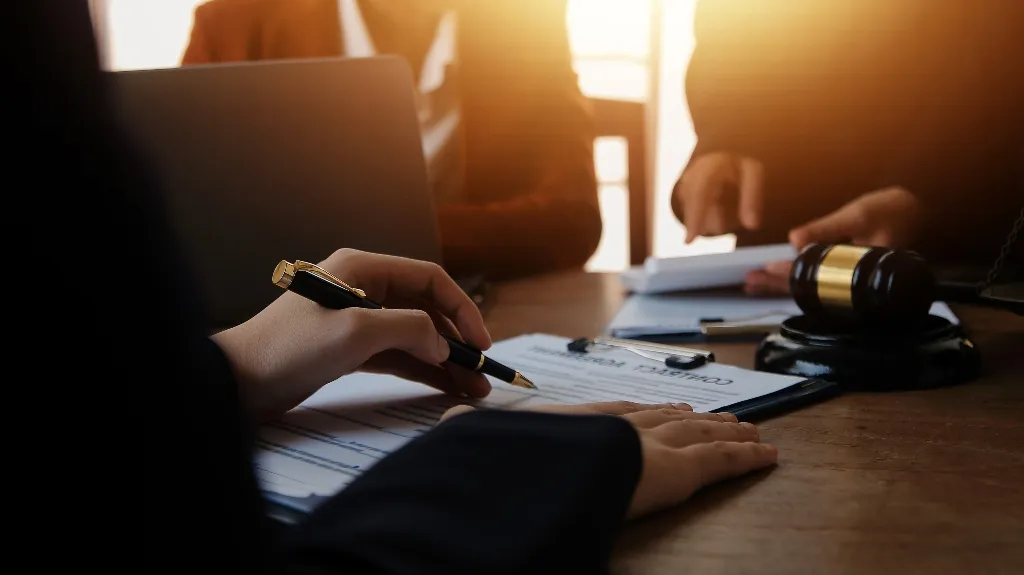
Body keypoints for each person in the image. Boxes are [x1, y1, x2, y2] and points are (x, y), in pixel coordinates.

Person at [27, 3, 777, 573]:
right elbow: (196, 182)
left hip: (451, 313)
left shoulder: (516, 24)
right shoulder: (243, 12)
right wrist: (475, 479)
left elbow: (570, 215)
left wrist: (232, 371)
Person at [180, 0, 602, 282]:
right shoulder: (234, 21)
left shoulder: (524, 22)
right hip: (284, 310)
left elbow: (574, 220)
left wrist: (368, 239)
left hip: (476, 314)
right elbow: (193, 217)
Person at [675, 0, 1023, 295]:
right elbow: (728, 32)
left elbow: (1003, 42)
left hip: (964, 262)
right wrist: (727, 136)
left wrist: (924, 189)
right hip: (776, 269)